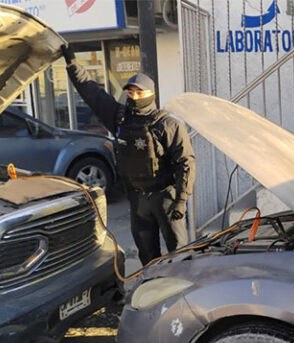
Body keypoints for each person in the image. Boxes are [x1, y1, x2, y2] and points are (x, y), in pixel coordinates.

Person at [61, 45, 196, 265]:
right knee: (147, 255)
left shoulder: (168, 125)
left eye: (139, 92)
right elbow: (92, 93)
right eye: (130, 92)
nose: (134, 96)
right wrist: (72, 65)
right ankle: (152, 289)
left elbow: (185, 163)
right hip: (138, 199)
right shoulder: (120, 119)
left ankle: (183, 293)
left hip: (165, 198)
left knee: (179, 254)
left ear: (151, 94)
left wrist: (181, 200)